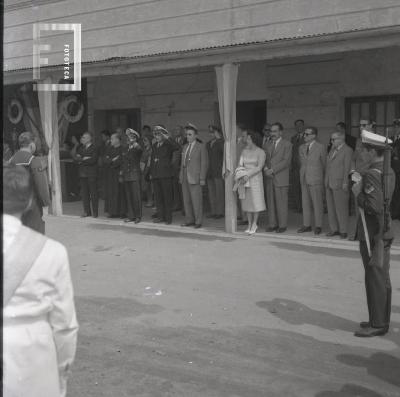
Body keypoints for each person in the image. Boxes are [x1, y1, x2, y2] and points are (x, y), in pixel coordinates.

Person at [3, 163, 78, 397]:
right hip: (34, 351)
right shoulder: (52, 251)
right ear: (28, 203)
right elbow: (65, 326)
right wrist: (62, 373)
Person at [351, 130, 395, 337]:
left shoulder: (371, 174)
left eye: (364, 150)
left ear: (372, 152)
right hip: (383, 230)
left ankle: (377, 324)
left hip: (373, 232)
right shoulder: (388, 171)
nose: (362, 154)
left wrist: (357, 193)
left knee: (375, 276)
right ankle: (380, 319)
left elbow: (374, 206)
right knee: (381, 276)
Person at [9, 131, 50, 234]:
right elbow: (41, 185)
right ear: (32, 144)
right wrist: (46, 202)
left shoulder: (10, 161)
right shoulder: (33, 161)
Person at [348, 119, 376, 239]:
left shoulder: (377, 140)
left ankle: (371, 233)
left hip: (371, 178)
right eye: (359, 125)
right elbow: (353, 158)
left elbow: (376, 161)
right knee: (357, 205)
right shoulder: (359, 141)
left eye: (364, 125)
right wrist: (353, 171)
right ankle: (359, 232)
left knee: (371, 205)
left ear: (371, 125)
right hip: (358, 177)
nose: (361, 127)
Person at [264, 122, 293, 233]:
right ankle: (272, 224)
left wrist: (272, 170)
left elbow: (286, 161)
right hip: (269, 177)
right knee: (271, 202)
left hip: (281, 177)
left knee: (281, 202)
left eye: (275, 131)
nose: (273, 133)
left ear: (281, 132)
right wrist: (266, 169)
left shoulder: (287, 144)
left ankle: (282, 225)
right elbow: (264, 159)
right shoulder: (267, 144)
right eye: (271, 131)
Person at [236, 130, 266, 234]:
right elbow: (240, 164)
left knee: (255, 202)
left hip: (255, 179)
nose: (246, 140)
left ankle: (254, 223)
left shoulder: (261, 152)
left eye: (249, 138)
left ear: (254, 139)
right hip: (244, 180)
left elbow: (259, 167)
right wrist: (241, 174)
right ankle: (249, 224)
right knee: (247, 202)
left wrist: (248, 175)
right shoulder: (244, 151)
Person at [297, 127, 326, 235]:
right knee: (305, 203)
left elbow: (324, 164)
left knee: (317, 203)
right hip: (304, 177)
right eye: (304, 134)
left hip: (316, 178)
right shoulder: (301, 147)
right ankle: (307, 224)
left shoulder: (320, 147)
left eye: (307, 134)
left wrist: (321, 177)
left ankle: (318, 225)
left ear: (314, 135)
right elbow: (302, 162)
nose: (304, 136)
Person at [149, 125, 180, 224]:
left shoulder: (168, 144)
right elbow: (153, 161)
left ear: (162, 135)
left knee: (167, 197)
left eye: (158, 135)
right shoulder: (154, 146)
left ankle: (168, 218)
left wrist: (168, 137)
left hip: (166, 175)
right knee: (158, 198)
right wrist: (151, 173)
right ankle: (160, 217)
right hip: (156, 175)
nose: (156, 137)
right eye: (155, 135)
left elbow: (177, 147)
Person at [180, 123, 208, 228]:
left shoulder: (201, 147)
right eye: (187, 134)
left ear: (196, 135)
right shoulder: (185, 147)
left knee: (196, 201)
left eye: (190, 134)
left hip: (195, 178)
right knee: (186, 201)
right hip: (185, 177)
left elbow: (204, 163)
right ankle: (189, 220)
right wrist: (180, 176)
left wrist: (202, 178)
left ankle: (198, 221)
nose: (188, 136)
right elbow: (182, 164)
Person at [325, 130, 352, 238]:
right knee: (331, 208)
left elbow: (347, 168)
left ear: (341, 139)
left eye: (334, 139)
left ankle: (343, 230)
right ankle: (334, 229)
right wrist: (326, 180)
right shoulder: (332, 150)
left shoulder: (347, 150)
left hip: (340, 182)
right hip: (330, 182)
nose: (331, 141)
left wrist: (345, 182)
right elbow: (328, 167)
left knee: (341, 208)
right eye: (331, 139)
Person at [71, 131, 99, 218]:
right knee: (85, 194)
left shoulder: (95, 148)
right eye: (82, 137)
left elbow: (93, 160)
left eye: (84, 137)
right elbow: (75, 159)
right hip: (82, 174)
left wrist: (82, 159)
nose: (82, 139)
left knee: (93, 193)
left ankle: (95, 212)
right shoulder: (81, 148)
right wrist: (85, 158)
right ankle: (87, 212)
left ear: (89, 138)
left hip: (91, 174)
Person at [122, 128, 143, 223]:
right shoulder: (125, 148)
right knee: (129, 196)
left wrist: (136, 144)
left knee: (136, 197)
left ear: (135, 138)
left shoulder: (137, 147)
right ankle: (131, 215)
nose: (128, 139)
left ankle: (138, 216)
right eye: (128, 137)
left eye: (130, 137)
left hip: (134, 174)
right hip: (127, 174)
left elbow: (140, 150)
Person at [103, 133, 126, 218]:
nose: (110, 140)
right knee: (111, 193)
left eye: (112, 139)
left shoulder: (123, 149)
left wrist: (111, 161)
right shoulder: (109, 148)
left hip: (118, 173)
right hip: (110, 174)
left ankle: (122, 212)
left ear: (117, 140)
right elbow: (104, 159)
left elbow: (121, 160)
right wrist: (112, 160)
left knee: (120, 193)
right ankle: (112, 212)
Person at [206, 125, 225, 219]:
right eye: (210, 132)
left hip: (218, 171)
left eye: (213, 132)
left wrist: (219, 138)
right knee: (211, 193)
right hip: (209, 171)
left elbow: (224, 151)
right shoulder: (208, 143)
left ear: (217, 132)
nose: (211, 134)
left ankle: (220, 212)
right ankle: (213, 211)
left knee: (219, 193)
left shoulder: (221, 142)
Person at [290, 119, 305, 212]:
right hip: (295, 167)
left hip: (303, 166)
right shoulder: (293, 138)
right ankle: (298, 207)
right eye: (297, 125)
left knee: (303, 188)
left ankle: (304, 207)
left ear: (303, 126)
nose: (298, 127)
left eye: (300, 125)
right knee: (296, 187)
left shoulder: (307, 137)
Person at [171, 125, 185, 211]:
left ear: (181, 131)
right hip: (173, 168)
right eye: (175, 130)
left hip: (181, 167)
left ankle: (184, 207)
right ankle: (177, 205)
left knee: (182, 189)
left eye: (178, 130)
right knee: (175, 187)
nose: (176, 131)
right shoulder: (172, 141)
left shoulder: (185, 140)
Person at [390, 118, 400, 220]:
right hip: (392, 169)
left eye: (397, 127)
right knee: (393, 191)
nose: (395, 129)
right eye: (395, 127)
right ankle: (394, 213)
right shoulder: (390, 139)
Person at [141, 134, 154, 208]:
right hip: (143, 168)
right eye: (143, 140)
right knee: (146, 186)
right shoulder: (145, 149)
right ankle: (149, 200)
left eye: (145, 140)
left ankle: (151, 201)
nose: (144, 142)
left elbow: (149, 161)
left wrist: (148, 170)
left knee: (150, 187)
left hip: (148, 169)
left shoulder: (151, 149)